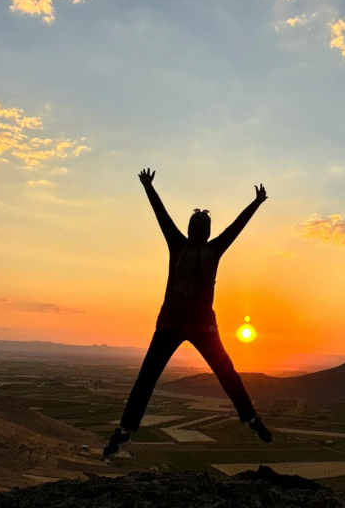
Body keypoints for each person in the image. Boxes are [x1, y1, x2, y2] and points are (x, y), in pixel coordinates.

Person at [104, 168, 272, 457]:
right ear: (190, 228)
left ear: (206, 231)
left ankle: (252, 419)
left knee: (226, 372)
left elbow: (235, 228)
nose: (197, 231)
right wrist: (148, 187)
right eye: (194, 226)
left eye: (201, 227)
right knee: (146, 377)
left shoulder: (214, 250)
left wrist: (256, 204)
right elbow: (162, 216)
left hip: (203, 326)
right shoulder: (177, 243)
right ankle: (123, 431)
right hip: (170, 323)